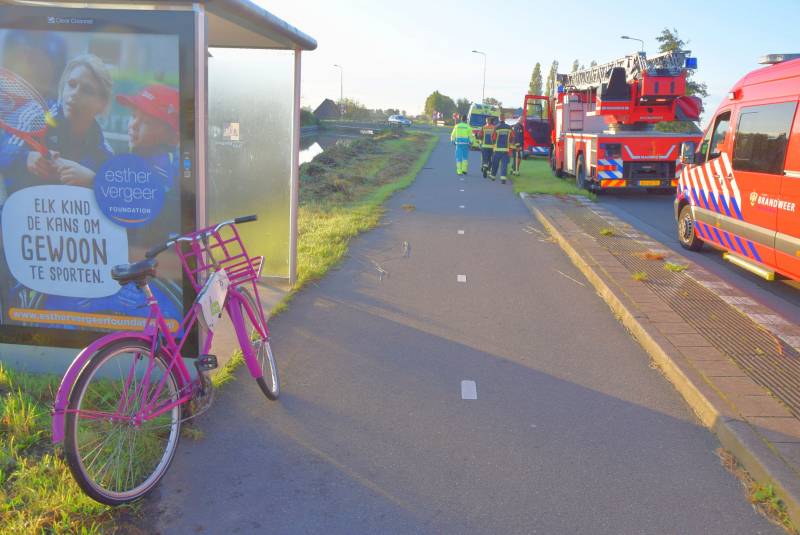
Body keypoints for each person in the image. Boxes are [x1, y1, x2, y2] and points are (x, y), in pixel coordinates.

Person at [1, 53, 114, 193]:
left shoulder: (105, 152)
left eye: (87, 90)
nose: (74, 93)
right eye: (71, 85)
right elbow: (3, 151)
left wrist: (93, 180)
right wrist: (26, 158)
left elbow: (118, 197)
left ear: (101, 104)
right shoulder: (35, 116)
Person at [116, 84, 180, 190]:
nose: (133, 125)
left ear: (173, 139)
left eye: (146, 122)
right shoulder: (136, 158)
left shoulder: (161, 172)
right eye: (134, 116)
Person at [490, 114, 513, 184]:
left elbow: (493, 138)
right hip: (505, 149)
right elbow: (512, 137)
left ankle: (493, 176)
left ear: (499, 118)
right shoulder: (509, 128)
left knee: (495, 163)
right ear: (504, 119)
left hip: (497, 149)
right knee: (504, 164)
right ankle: (503, 178)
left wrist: (493, 143)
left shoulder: (496, 127)